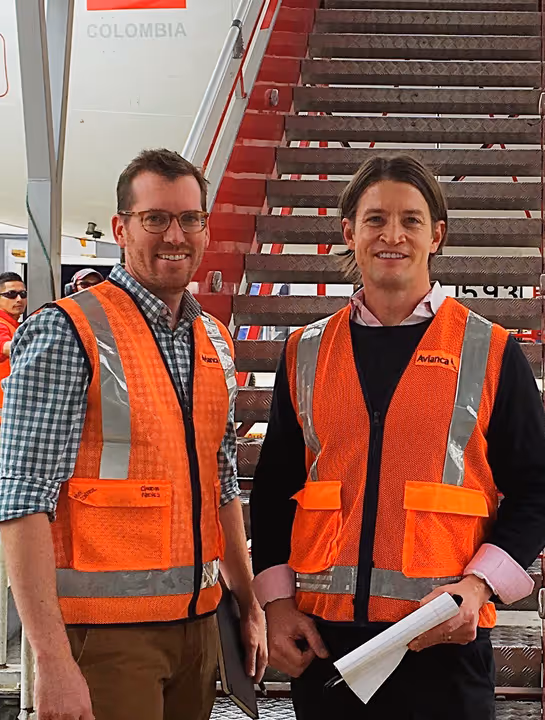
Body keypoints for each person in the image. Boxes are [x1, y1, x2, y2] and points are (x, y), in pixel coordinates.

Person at [250, 155, 545, 720]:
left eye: (411, 220)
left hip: (442, 636)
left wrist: (479, 588)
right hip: (325, 641)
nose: (393, 235)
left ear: (436, 235)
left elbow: (537, 489)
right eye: (375, 219)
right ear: (349, 233)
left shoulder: (489, 351)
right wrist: (276, 603)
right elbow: (272, 492)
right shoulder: (305, 352)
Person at [0, 148, 267, 720]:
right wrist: (49, 660)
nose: (176, 235)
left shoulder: (214, 339)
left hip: (197, 629)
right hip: (105, 640)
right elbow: (22, 503)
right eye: (156, 219)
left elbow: (222, 486)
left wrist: (248, 602)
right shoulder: (67, 332)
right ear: (121, 229)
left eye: (190, 218)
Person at [0, 272, 27, 420]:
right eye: (11, 294)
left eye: (23, 294)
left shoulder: (14, 326)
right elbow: (5, 346)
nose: (19, 299)